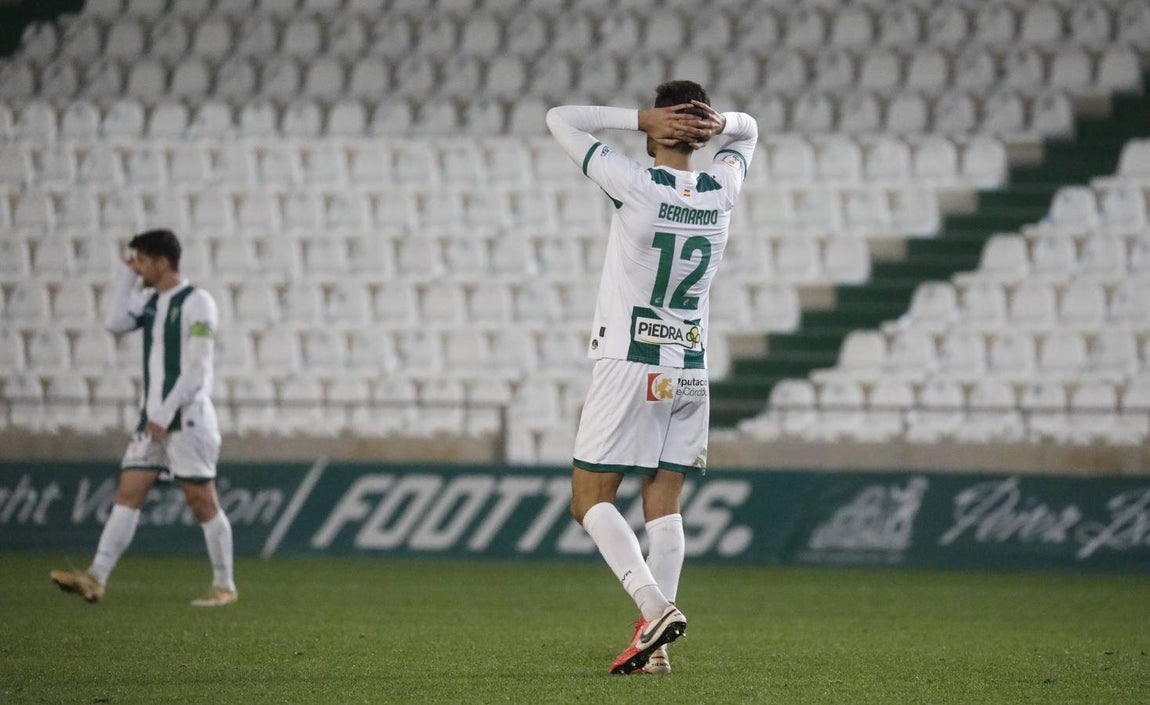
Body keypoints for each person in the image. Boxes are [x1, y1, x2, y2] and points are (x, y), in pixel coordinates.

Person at [546, 81, 758, 675]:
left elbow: (561, 117)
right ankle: (655, 649)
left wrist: (637, 117)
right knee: (664, 504)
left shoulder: (635, 183)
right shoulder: (721, 188)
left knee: (589, 500)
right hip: (689, 368)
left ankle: (654, 610)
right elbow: (749, 129)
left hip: (631, 361)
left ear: (654, 128)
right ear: (702, 129)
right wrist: (721, 124)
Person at [51, 229, 238, 607]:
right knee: (128, 494)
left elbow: (198, 369)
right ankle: (96, 577)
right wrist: (127, 276)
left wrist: (165, 412)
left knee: (202, 501)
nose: (138, 268)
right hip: (152, 421)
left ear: (162, 262)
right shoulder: (151, 301)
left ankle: (224, 586)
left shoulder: (198, 302)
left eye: (142, 261)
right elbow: (115, 322)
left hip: (186, 420)